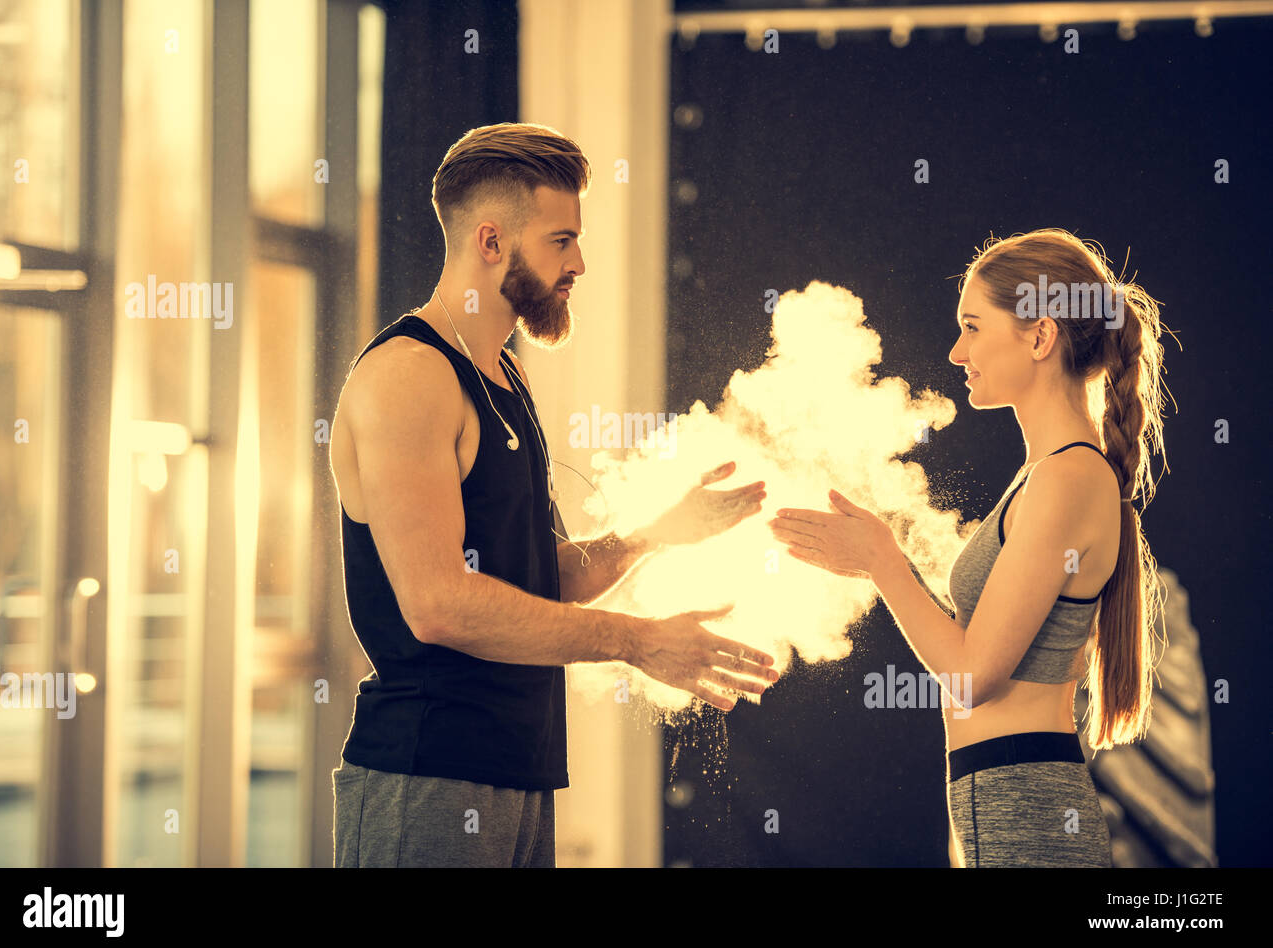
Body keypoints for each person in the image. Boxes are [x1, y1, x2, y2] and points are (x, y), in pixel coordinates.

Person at [328, 122, 779, 867]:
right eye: (561, 241)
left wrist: (657, 533)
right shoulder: (408, 376)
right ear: (491, 241)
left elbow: (550, 576)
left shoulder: (508, 378)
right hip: (427, 775)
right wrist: (637, 641)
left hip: (521, 776)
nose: (579, 263)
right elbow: (439, 603)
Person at [769, 228, 1173, 866]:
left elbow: (971, 677)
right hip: (999, 804)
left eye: (974, 327)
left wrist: (881, 560)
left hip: (1028, 816)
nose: (957, 352)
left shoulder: (1068, 478)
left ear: (1040, 336)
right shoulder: (1046, 476)